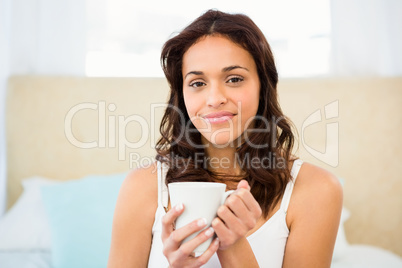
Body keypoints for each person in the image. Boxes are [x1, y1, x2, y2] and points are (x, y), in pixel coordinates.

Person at [107, 9, 342, 268]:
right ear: (182, 96)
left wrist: (233, 245)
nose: (215, 98)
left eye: (234, 79)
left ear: (263, 86)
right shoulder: (143, 186)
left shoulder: (316, 190)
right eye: (197, 83)